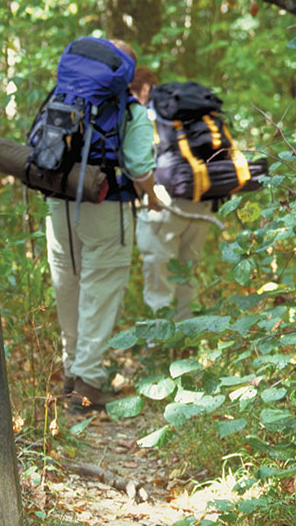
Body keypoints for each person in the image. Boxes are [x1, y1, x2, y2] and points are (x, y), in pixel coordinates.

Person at [47, 40, 161, 411]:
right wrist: (152, 197)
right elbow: (140, 167)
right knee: (100, 291)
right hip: (106, 206)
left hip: (60, 203)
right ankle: (87, 386)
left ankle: (71, 373)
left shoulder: (65, 99)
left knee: (69, 286)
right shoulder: (132, 113)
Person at [133, 71, 214, 322]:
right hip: (201, 196)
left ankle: (159, 350)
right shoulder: (188, 114)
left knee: (159, 283)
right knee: (186, 276)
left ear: (142, 89)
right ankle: (186, 347)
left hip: (162, 201)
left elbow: (138, 163)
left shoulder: (146, 115)